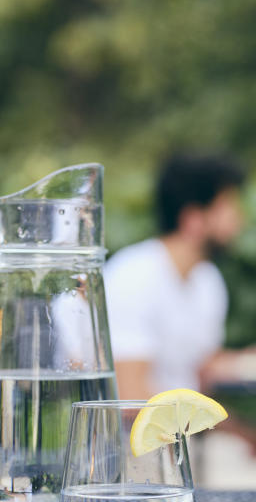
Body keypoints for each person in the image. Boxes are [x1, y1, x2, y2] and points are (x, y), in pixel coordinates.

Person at [105, 152, 248, 398]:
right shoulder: (132, 277)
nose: (240, 219)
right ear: (193, 218)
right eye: (228, 206)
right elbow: (130, 396)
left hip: (188, 429)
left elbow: (205, 370)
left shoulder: (207, 279)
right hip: (140, 435)